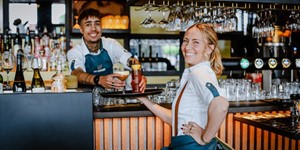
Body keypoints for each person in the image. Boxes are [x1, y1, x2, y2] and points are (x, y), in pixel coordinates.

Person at [137, 23, 229, 149]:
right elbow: (177, 119)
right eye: (185, 41)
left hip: (192, 146)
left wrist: (205, 139)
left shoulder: (199, 73)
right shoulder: (193, 72)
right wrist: (144, 99)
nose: (187, 47)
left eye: (195, 42)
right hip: (183, 144)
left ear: (209, 48)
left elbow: (221, 105)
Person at [67, 8, 146, 91]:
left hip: (108, 99)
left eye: (97, 24)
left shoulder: (110, 44)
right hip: (85, 99)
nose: (93, 28)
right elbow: (77, 74)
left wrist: (139, 75)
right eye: (88, 24)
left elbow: (129, 60)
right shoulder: (75, 52)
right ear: (81, 30)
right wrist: (99, 80)